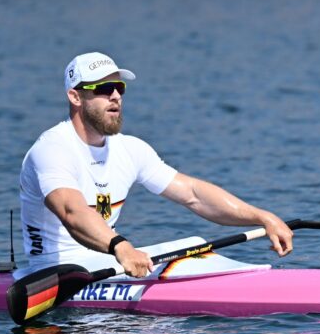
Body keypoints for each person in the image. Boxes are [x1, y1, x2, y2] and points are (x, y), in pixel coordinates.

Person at [18, 52, 293, 278]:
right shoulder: (52, 149)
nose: (116, 96)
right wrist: (121, 247)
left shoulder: (130, 148)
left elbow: (194, 195)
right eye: (103, 89)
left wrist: (263, 217)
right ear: (75, 97)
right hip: (55, 272)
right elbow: (71, 211)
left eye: (119, 88)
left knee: (194, 245)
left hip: (110, 260)